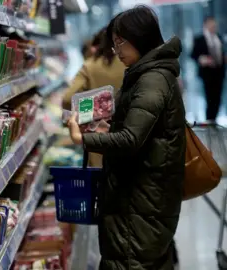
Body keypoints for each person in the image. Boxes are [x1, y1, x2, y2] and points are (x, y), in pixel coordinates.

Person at [66, 5, 185, 270]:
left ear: (139, 39)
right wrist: (109, 129)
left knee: (130, 261)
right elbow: (143, 133)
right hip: (141, 198)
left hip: (140, 203)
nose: (115, 50)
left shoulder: (152, 80)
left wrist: (81, 139)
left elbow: (131, 139)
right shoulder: (145, 74)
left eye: (120, 42)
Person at [62, 28, 125, 167]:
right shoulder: (130, 64)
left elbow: (67, 100)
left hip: (99, 141)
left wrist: (90, 113)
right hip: (130, 139)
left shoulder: (90, 66)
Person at [191, 16, 226, 123]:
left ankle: (214, 119)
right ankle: (209, 119)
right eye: (211, 24)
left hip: (219, 72)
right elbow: (193, 54)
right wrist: (202, 59)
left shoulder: (219, 38)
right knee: (209, 97)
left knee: (218, 97)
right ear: (205, 25)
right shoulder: (200, 39)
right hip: (207, 74)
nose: (213, 26)